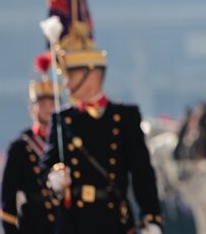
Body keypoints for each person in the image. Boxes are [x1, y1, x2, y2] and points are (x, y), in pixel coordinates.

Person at [42, 41, 164, 234]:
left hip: (114, 219)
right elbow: (46, 166)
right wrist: (53, 177)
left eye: (71, 75)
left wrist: (151, 217)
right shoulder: (62, 119)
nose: (66, 82)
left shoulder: (125, 117)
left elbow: (142, 173)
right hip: (74, 222)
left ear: (91, 75)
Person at [0, 53, 58, 233]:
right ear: (32, 108)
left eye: (52, 102)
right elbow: (8, 200)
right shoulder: (20, 147)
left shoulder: (66, 142)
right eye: (42, 102)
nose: (48, 108)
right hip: (33, 224)